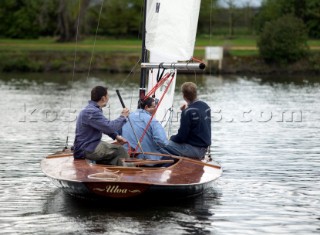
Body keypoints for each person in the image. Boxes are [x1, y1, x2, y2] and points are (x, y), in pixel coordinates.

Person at [73, 86, 130, 166]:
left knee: (111, 151)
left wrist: (116, 136)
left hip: (85, 148)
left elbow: (104, 127)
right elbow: (109, 127)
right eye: (108, 96)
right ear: (103, 98)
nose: (108, 98)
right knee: (120, 151)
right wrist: (123, 117)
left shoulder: (91, 109)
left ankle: (109, 173)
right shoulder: (92, 111)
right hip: (87, 149)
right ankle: (129, 176)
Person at [159, 82, 211, 160]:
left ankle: (168, 164)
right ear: (196, 93)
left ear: (184, 96)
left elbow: (181, 137)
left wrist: (171, 138)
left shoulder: (187, 112)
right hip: (203, 149)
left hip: (194, 150)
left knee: (160, 143)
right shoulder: (205, 106)